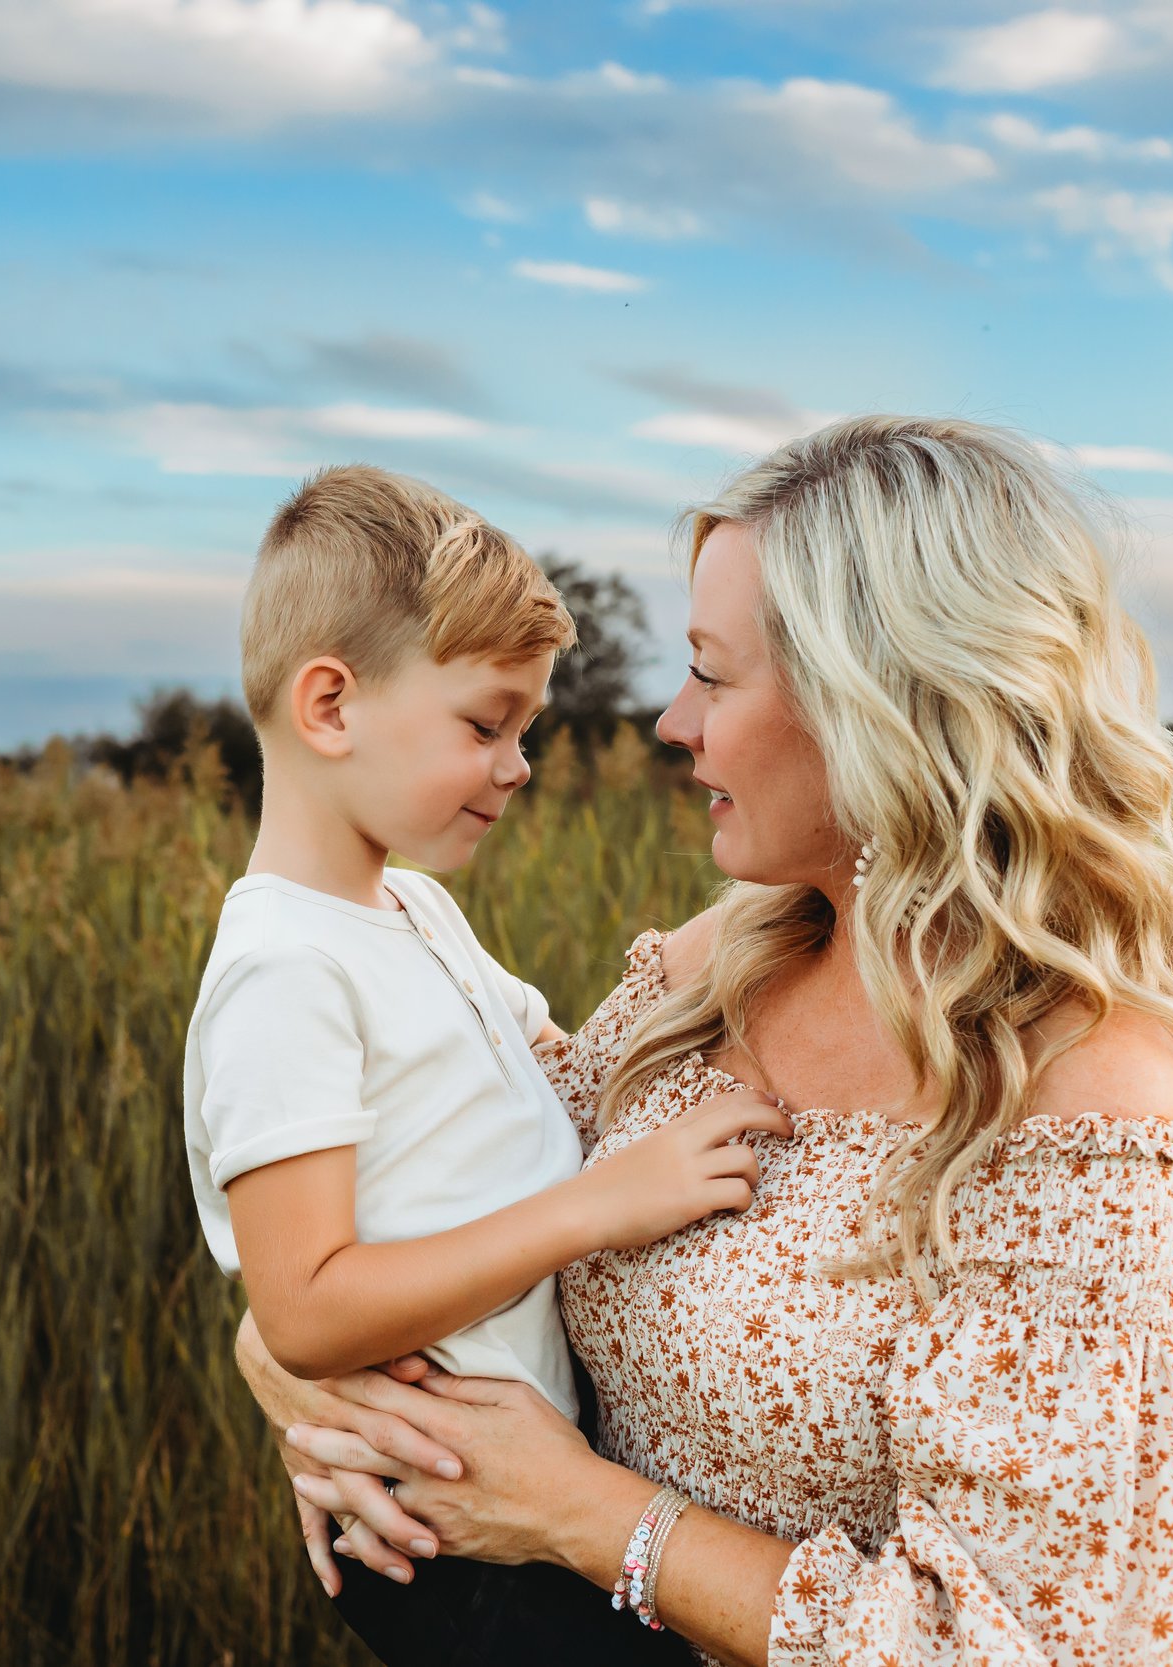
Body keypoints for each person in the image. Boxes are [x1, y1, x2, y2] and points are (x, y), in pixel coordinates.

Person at [238, 417, 1173, 1666]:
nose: (671, 722)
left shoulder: (1083, 1099)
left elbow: (1019, 1647)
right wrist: (285, 1353)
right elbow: (462, 1195)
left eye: (712, 673)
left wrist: (584, 1516)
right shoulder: (717, 964)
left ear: (881, 702)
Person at [183, 463, 784, 1665]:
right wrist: (595, 1206)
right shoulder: (282, 971)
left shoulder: (407, 908)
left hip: (511, 1490)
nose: (515, 766)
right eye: (484, 723)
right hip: (444, 1535)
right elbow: (301, 1309)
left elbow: (550, 1059)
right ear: (329, 707)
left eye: (524, 729)